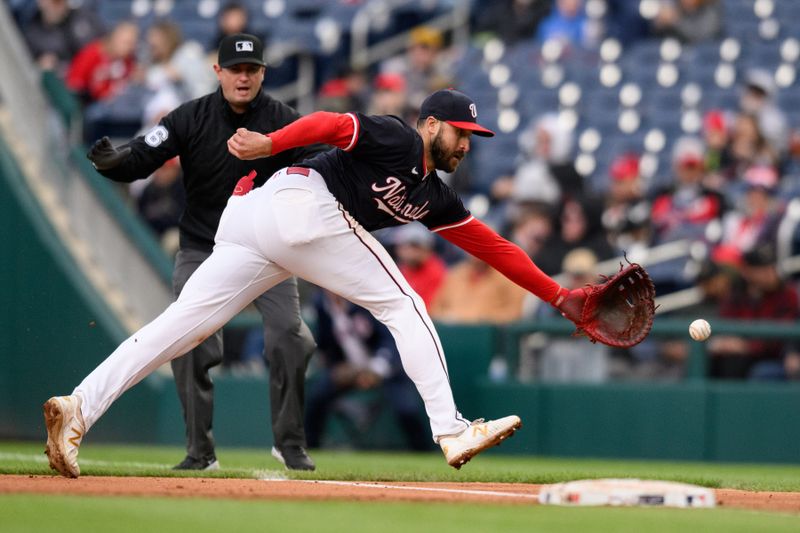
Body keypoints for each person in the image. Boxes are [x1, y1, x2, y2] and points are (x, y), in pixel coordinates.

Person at [43, 88, 593, 477]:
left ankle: (78, 408)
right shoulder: (400, 138)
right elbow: (333, 124)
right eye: (461, 131)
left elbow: (494, 248)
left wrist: (560, 296)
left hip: (260, 221)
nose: (467, 143)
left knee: (179, 328)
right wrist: (270, 141)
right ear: (431, 125)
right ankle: (450, 429)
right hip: (300, 202)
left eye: (473, 135)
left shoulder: (435, 197)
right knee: (405, 306)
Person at [79, 34, 322, 472]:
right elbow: (147, 151)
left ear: (263, 73)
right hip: (203, 248)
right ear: (219, 72)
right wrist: (118, 162)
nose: (243, 77)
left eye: (251, 70)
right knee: (187, 340)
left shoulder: (285, 121)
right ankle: (199, 450)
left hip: (266, 253)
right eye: (235, 69)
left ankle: (289, 442)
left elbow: (322, 159)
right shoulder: (191, 117)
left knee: (290, 334)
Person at [305, 291, 430, 451]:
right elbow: (324, 344)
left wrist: (376, 369)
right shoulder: (321, 303)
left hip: (385, 367)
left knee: (406, 409)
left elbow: (390, 340)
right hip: (350, 369)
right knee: (317, 395)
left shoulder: (364, 298)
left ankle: (423, 452)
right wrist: (335, 366)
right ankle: (311, 449)